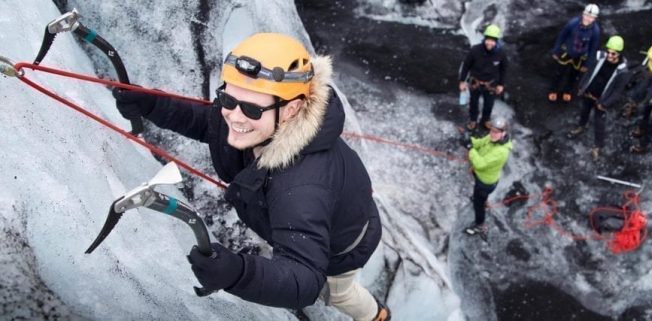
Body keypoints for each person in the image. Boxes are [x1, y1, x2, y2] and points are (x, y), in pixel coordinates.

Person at [112, 33, 390, 321]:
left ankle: (377, 315)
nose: (234, 116)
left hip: (344, 245)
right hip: (314, 215)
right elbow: (210, 125)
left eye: (252, 108)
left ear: (292, 109)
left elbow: (306, 278)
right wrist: (152, 104)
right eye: (227, 98)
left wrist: (240, 274)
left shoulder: (301, 187)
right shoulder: (259, 121)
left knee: (338, 292)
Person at [568, 36, 632, 160]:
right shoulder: (600, 58)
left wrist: (605, 104)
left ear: (619, 54)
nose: (609, 55)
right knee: (584, 111)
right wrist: (582, 87)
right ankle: (581, 126)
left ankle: (598, 146)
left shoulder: (623, 71)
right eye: (608, 52)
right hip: (589, 94)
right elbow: (589, 73)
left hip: (601, 100)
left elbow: (617, 92)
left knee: (599, 123)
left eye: (613, 53)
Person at [464, 117, 513, 240]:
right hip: (481, 177)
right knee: (480, 196)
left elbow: (480, 164)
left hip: (485, 183)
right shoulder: (492, 138)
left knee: (478, 204)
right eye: (491, 131)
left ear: (504, 133)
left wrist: (470, 149)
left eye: (496, 132)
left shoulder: (501, 152)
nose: (492, 134)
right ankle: (483, 200)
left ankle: (480, 225)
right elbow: (480, 143)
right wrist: (470, 141)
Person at [548, 3, 601, 103]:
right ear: (583, 14)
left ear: (595, 18)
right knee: (559, 72)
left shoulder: (595, 31)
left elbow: (593, 48)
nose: (587, 19)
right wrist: (556, 50)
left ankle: (567, 91)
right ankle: (553, 90)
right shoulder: (573, 23)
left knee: (573, 75)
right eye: (586, 15)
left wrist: (588, 64)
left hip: (580, 56)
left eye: (591, 17)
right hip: (567, 52)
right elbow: (562, 36)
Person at [459, 24, 508, 130]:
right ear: (484, 39)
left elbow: (503, 69)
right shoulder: (475, 50)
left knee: (489, 104)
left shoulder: (501, 54)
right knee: (473, 103)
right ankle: (473, 120)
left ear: (496, 41)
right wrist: (462, 81)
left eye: (492, 40)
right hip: (475, 82)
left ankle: (485, 120)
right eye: (488, 40)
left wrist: (501, 84)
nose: (489, 43)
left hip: (491, 84)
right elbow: (466, 65)